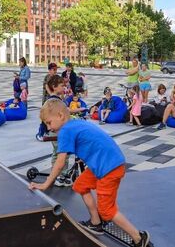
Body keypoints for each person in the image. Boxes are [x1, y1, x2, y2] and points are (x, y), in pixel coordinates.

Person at [29, 99, 151, 247]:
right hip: (107, 162)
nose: (48, 127)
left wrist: (46, 184)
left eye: (49, 122)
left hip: (109, 168)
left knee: (106, 210)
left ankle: (139, 238)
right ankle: (95, 223)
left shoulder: (65, 131)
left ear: (61, 115)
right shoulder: (75, 123)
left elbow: (60, 163)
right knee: (80, 185)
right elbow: (91, 140)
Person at [42, 74, 72, 187]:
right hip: (58, 131)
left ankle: (57, 175)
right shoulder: (55, 101)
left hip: (57, 130)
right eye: (61, 85)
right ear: (54, 87)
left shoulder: (54, 100)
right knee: (62, 153)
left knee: (58, 152)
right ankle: (60, 176)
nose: (63, 88)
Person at [35, 63, 59, 141]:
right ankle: (40, 133)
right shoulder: (47, 77)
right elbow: (47, 87)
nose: (55, 71)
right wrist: (52, 95)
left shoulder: (56, 77)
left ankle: (48, 131)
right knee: (45, 118)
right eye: (54, 70)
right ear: (49, 70)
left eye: (56, 69)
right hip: (47, 101)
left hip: (54, 101)